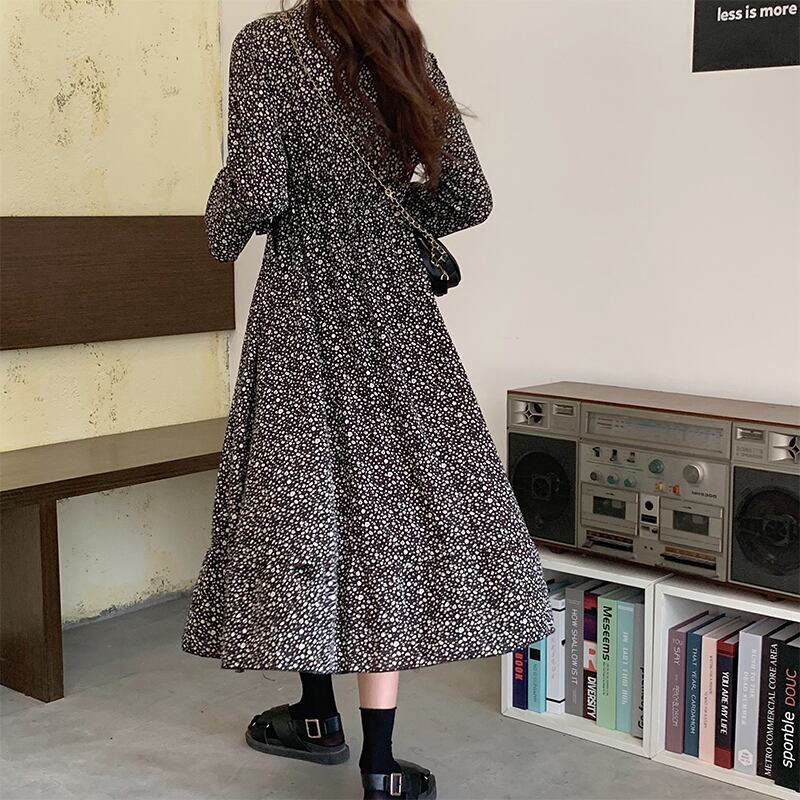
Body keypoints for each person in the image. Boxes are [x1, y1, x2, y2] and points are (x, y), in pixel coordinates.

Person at [182, 1, 555, 797]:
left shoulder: (266, 44)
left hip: (304, 304)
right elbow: (468, 197)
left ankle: (319, 718)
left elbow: (257, 186)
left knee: (306, 504)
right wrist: (378, 219)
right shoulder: (401, 44)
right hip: (395, 308)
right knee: (384, 519)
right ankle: (376, 765)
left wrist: (218, 228)